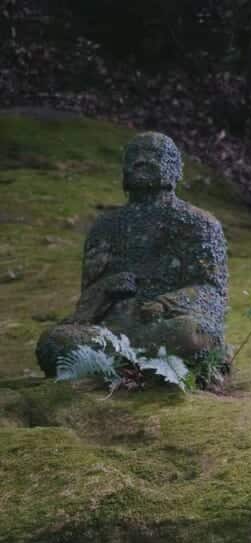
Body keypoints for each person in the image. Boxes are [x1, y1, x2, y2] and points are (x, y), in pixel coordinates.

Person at [36, 132, 228, 376]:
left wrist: (165, 303)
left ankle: (117, 363)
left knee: (188, 333)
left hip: (169, 325)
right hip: (113, 330)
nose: (141, 161)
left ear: (175, 168)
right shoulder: (104, 228)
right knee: (53, 341)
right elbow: (86, 305)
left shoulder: (198, 223)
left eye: (154, 155)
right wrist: (107, 288)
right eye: (134, 156)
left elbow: (212, 291)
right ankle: (121, 360)